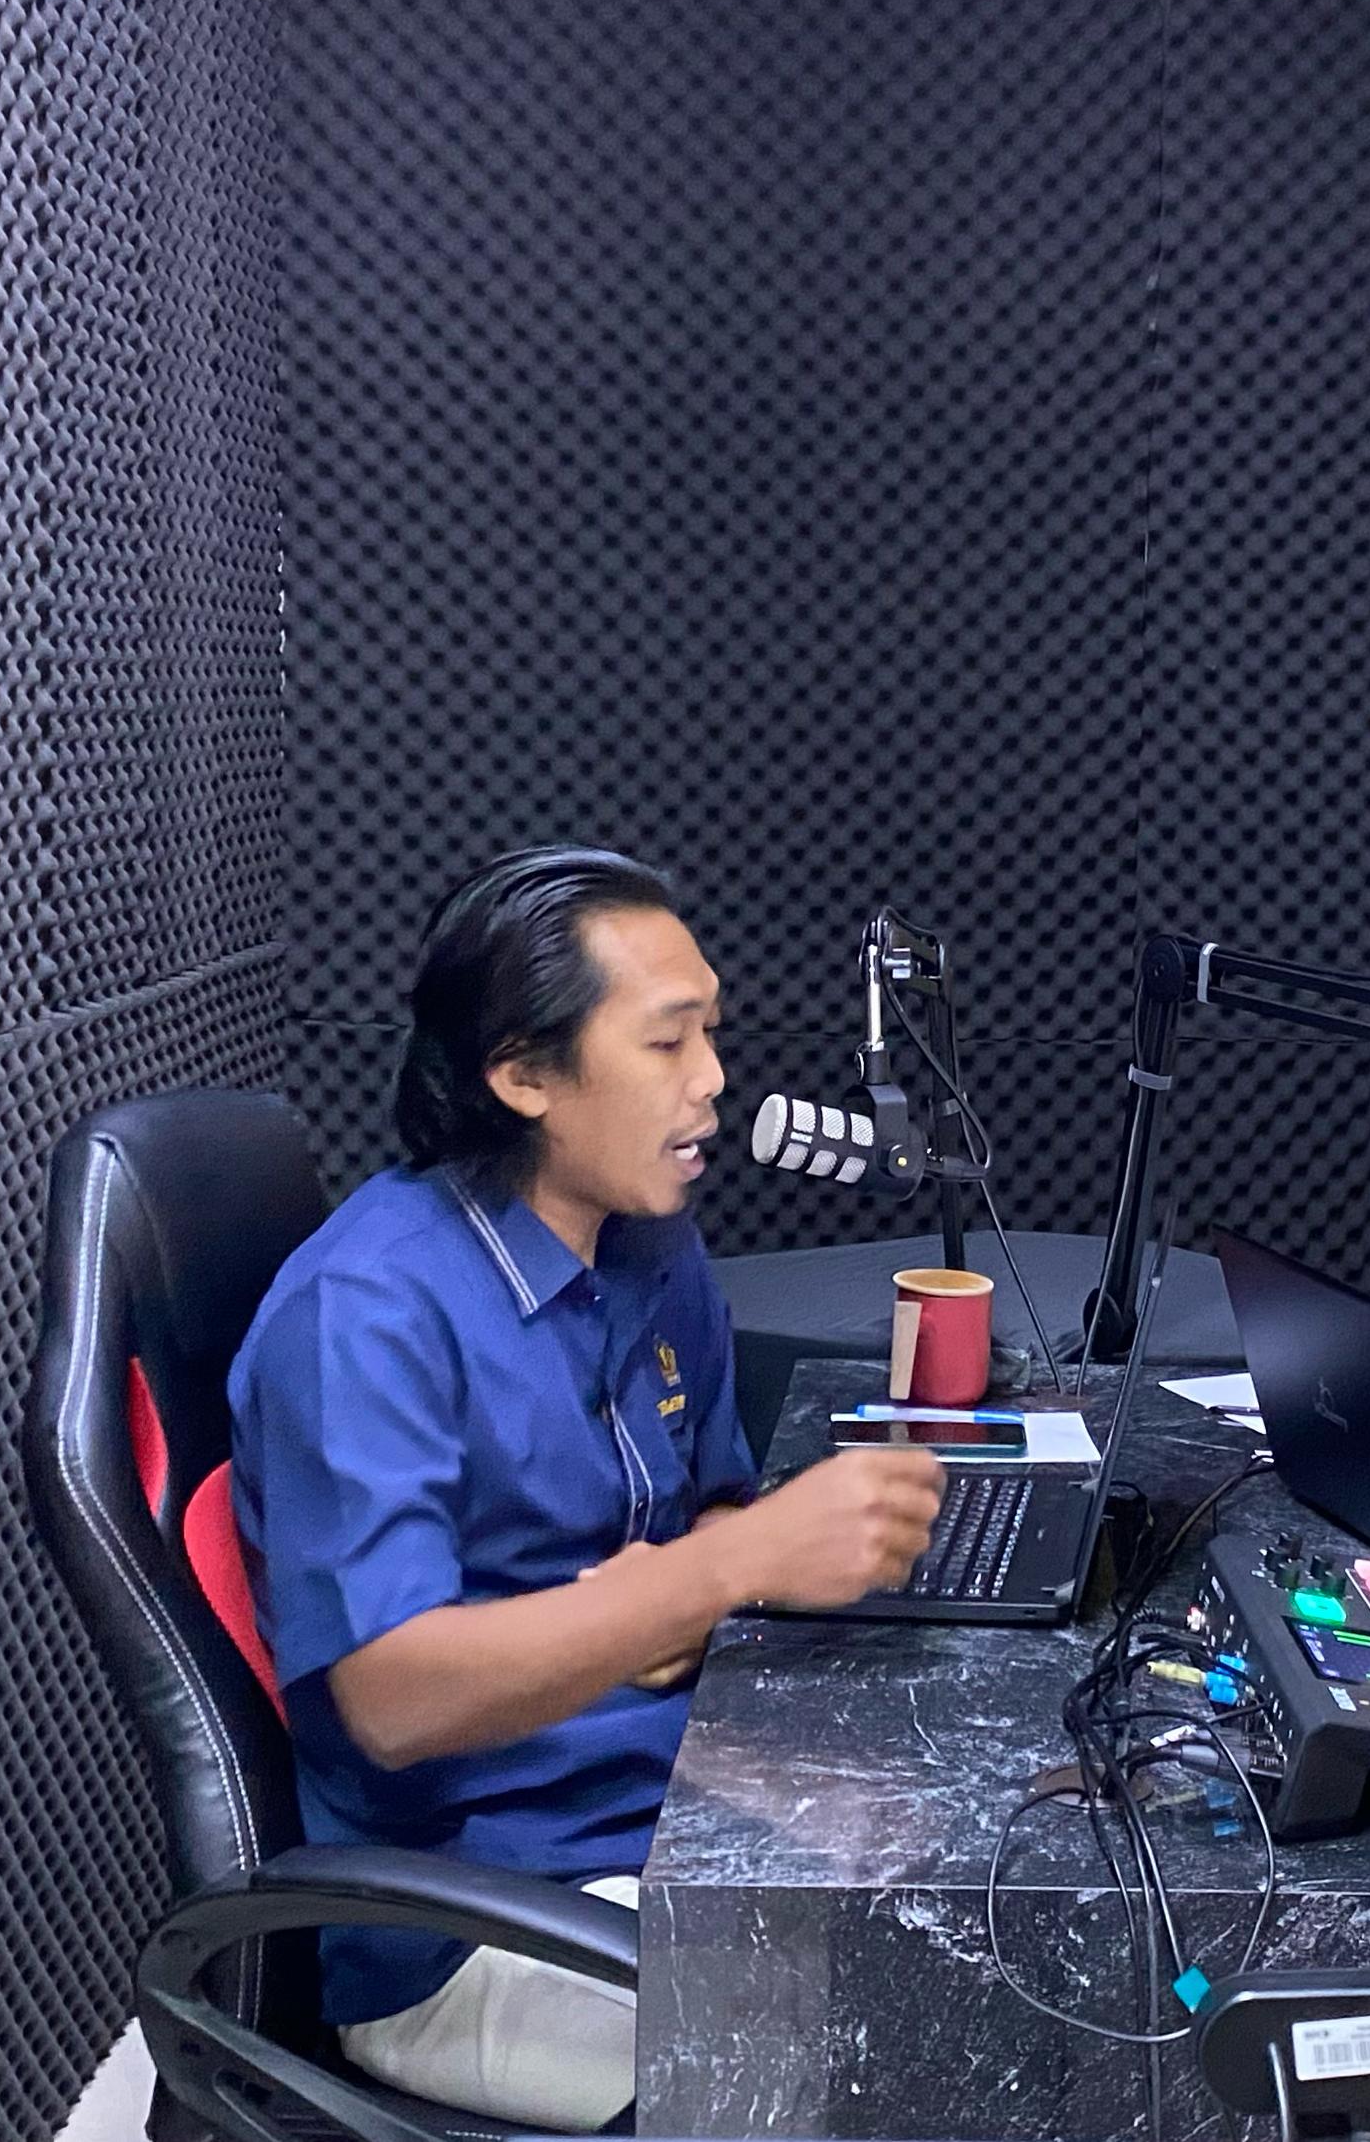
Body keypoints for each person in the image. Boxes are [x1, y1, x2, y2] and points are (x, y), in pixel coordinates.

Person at [230, 846, 946, 2130]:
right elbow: (391, 1697)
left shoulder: (649, 1241)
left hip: (667, 1807)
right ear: (522, 1075)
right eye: (667, 1042)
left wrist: (701, 1579)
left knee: (1021, 1920)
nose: (713, 1079)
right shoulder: (366, 1315)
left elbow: (708, 1503)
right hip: (480, 1924)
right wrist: (710, 1578)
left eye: (711, 1032)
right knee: (935, 2050)